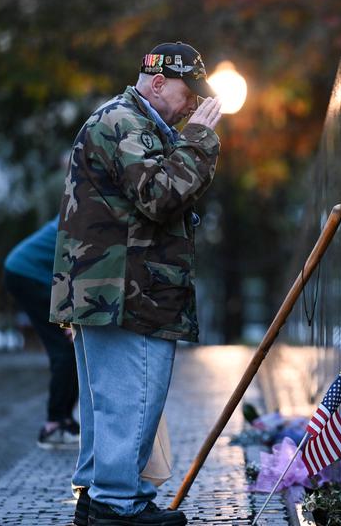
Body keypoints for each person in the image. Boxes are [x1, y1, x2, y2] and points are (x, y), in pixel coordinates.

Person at [50, 41, 223, 526]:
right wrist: (202, 139)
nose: (194, 105)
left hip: (116, 289)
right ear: (159, 81)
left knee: (110, 402)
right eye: (190, 93)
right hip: (127, 293)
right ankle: (117, 504)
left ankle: (102, 498)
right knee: (133, 397)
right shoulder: (125, 122)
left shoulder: (130, 122)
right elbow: (159, 195)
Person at [4, 215, 79, 449]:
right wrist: (70, 316)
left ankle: (63, 420)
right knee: (65, 346)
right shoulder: (90, 210)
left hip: (29, 272)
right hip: (29, 274)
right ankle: (54, 425)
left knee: (74, 345)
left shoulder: (87, 200)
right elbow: (78, 267)